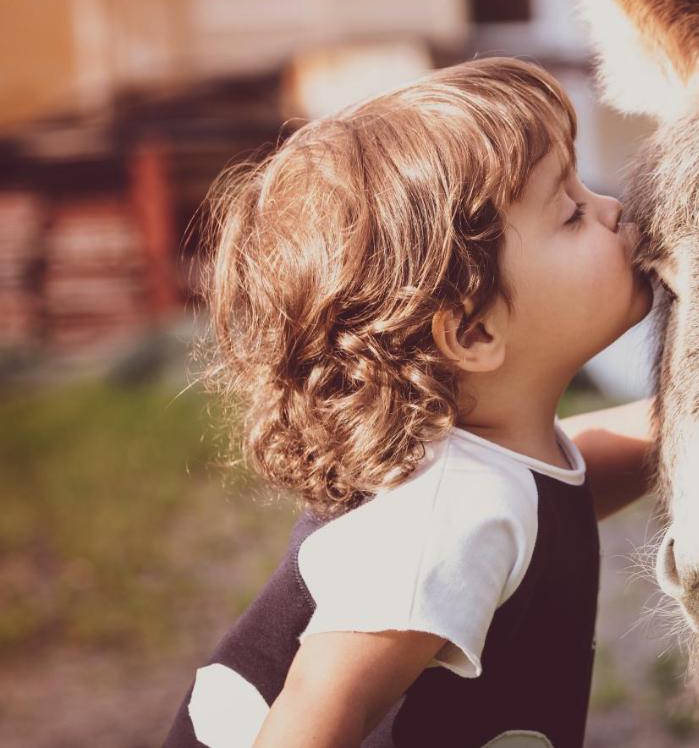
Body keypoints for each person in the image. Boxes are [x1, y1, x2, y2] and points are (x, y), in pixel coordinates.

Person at [163, 57, 656, 748]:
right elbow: (315, 711)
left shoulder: (497, 471)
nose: (611, 208)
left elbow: (565, 488)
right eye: (571, 212)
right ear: (475, 330)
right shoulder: (446, 518)